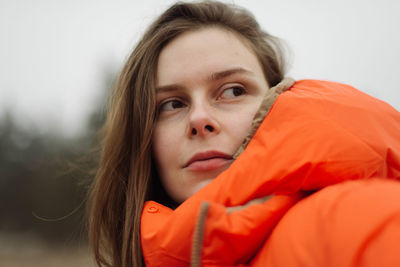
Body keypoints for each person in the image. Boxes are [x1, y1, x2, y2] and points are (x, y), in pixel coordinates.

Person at [87, 1, 400, 267]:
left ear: (276, 102)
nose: (199, 118)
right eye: (171, 104)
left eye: (233, 91)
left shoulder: (350, 223)